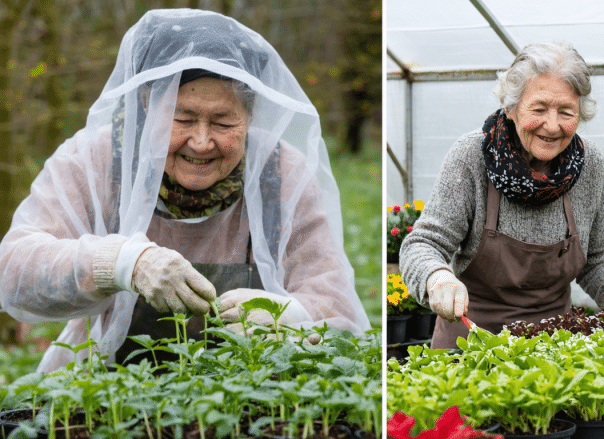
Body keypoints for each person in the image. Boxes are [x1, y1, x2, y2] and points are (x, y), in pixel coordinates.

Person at [0, 9, 370, 372]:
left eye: (224, 122)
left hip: (246, 393)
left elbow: (338, 310)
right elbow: (14, 271)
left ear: (251, 116)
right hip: (104, 389)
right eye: (182, 119)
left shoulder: (280, 175)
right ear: (148, 104)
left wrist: (290, 318)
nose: (201, 141)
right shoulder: (97, 160)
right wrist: (124, 263)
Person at [399, 41, 604, 349]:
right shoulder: (471, 155)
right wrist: (438, 278)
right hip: (470, 346)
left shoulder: (589, 165)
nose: (552, 126)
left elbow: (597, 260)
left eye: (566, 112)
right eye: (538, 109)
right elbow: (423, 244)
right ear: (511, 108)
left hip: (553, 354)